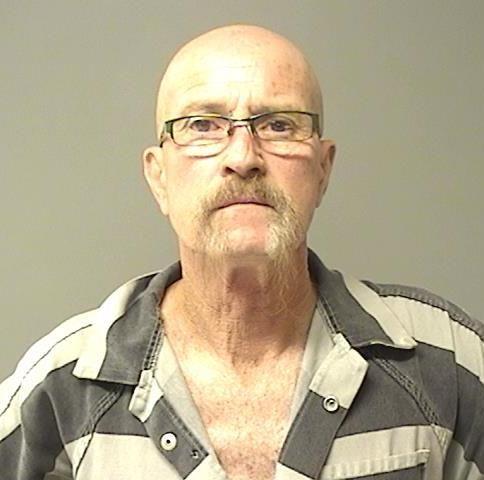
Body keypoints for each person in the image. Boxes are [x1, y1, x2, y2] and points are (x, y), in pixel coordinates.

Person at [0, 24, 482, 480]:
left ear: (323, 170)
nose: (243, 157)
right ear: (158, 177)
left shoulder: (449, 364)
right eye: (202, 125)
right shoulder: (60, 388)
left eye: (279, 125)